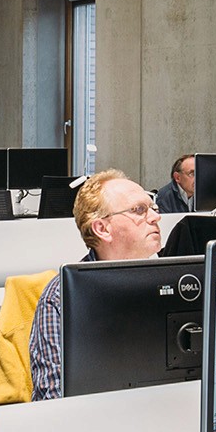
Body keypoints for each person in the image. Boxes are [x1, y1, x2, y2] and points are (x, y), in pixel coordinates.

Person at [24, 169, 165, 400]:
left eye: (153, 207)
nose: (155, 217)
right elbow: (53, 398)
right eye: (139, 210)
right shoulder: (62, 298)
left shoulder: (170, 283)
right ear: (102, 229)